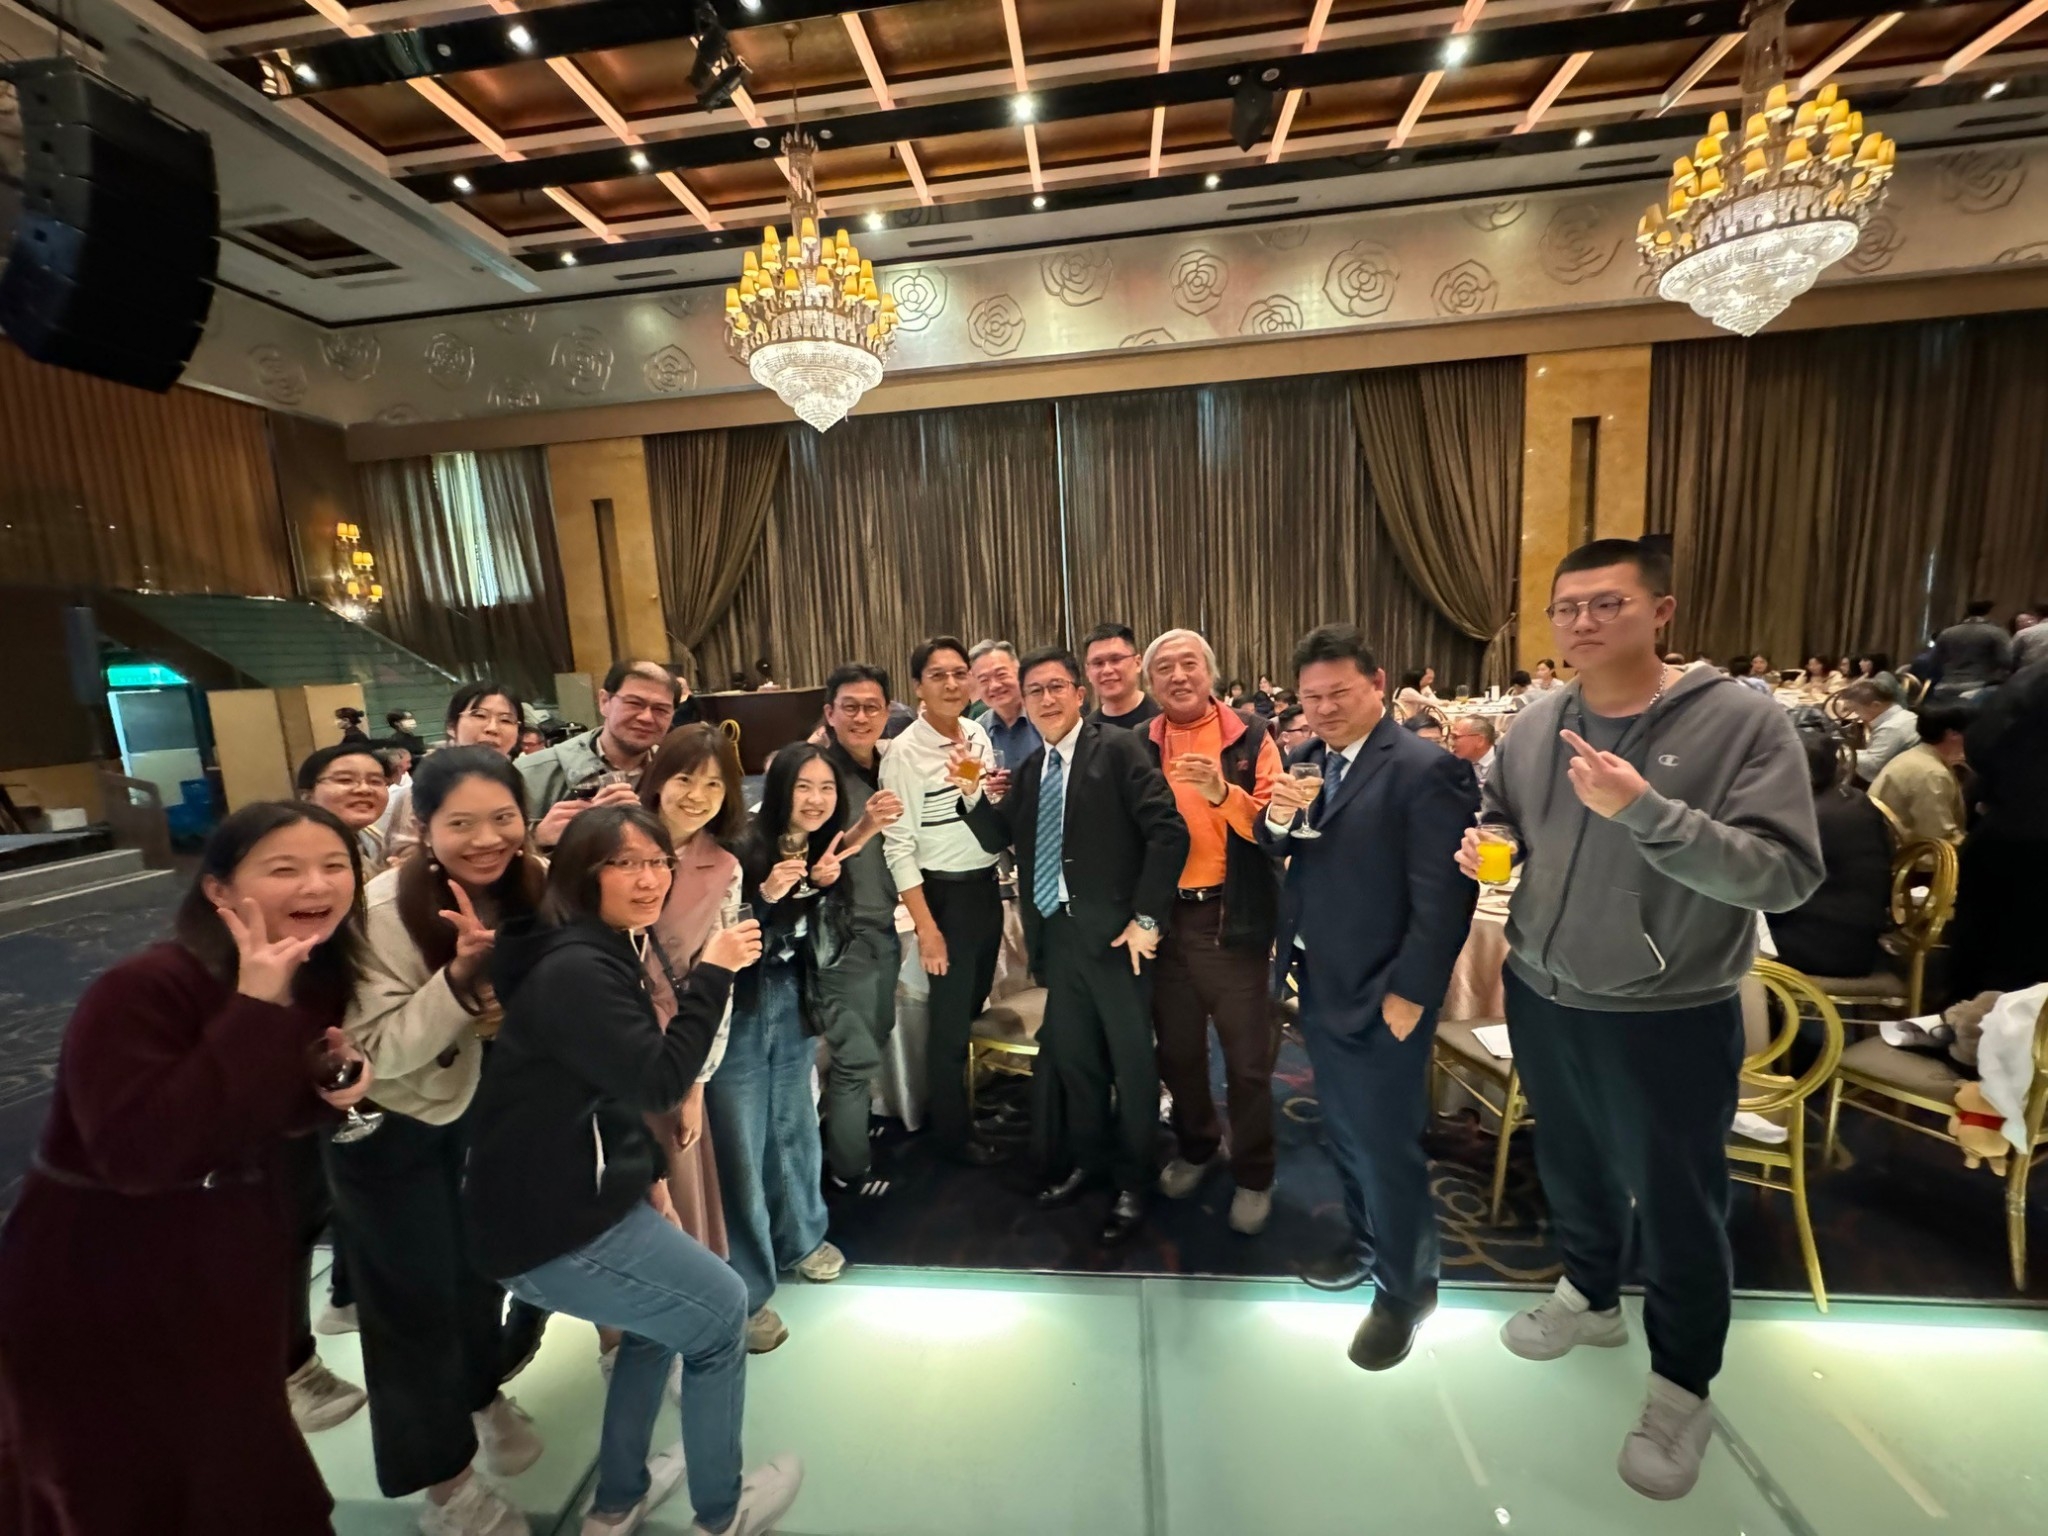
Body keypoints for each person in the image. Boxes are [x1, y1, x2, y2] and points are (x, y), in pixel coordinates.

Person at [1458, 537, 1820, 1501]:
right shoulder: (1538, 723)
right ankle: (1588, 1295)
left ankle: (1681, 1387)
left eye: (1606, 603)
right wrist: (1494, 842)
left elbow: (1786, 873)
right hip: (1545, 988)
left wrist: (1649, 812)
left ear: (1661, 611)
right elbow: (1502, 811)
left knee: (1677, 1204)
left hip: (1670, 1009)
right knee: (1570, 1161)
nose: (1581, 622)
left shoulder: (1740, 723)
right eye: (1565, 607)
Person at [0, 802, 374, 1536]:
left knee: (237, 1460)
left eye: (336, 866)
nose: (317, 884)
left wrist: (326, 1093)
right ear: (218, 889)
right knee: (121, 1478)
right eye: (285, 868)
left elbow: (248, 1108)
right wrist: (256, 1007)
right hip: (97, 1271)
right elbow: (139, 1154)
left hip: (221, 1257)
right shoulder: (143, 987)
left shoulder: (309, 974)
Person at [464, 806, 803, 1536]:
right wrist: (714, 971)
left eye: (657, 862)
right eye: (625, 864)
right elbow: (657, 1082)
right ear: (583, 875)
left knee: (655, 1326)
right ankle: (722, 1513)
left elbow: (610, 1089)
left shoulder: (598, 949)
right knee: (721, 1312)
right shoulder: (578, 968)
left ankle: (616, 1502)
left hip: (567, 1200)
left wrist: (648, 1177)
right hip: (548, 1224)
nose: (649, 879)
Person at [337, 747, 551, 1536]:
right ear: (424, 827)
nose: (487, 839)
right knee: (411, 1305)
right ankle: (444, 1486)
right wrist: (460, 984)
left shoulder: (536, 886)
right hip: (389, 1123)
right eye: (461, 823)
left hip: (488, 1110)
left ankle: (480, 1393)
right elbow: (376, 1052)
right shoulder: (380, 912)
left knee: (481, 1267)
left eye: (503, 818)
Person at [1259, 625, 1477, 1371]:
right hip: (1323, 983)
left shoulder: (1426, 769)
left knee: (1387, 1147)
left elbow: (1444, 897)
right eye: (1311, 697)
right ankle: (1366, 1243)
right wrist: (1279, 815)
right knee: (1347, 1134)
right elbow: (1281, 844)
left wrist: (1411, 994)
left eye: (1339, 693)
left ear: (1377, 684)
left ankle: (1407, 1291)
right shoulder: (1313, 759)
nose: (1323, 708)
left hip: (1385, 993)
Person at [962, 647, 1187, 1244]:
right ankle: (1089, 1162)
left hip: (1116, 941)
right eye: (1035, 691)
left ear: (1078, 694)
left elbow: (1168, 832)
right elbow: (996, 837)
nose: (1046, 699)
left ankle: (1134, 1179)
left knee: (1132, 1066)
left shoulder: (1118, 749)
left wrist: (1147, 918)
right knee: (1078, 1063)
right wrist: (973, 795)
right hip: (1057, 937)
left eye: (1056, 686)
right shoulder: (1032, 769)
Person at [714, 743, 888, 1351]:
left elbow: (818, 933)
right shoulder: (740, 845)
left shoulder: (818, 845)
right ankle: (745, 1283)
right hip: (736, 1008)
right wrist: (764, 894)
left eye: (826, 789)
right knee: (741, 1140)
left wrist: (825, 885)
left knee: (793, 1122)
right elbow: (717, 932)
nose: (816, 800)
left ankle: (803, 1239)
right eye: (803, 787)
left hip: (789, 995)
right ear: (779, 789)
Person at [1139, 630, 1284, 1235]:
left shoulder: (1250, 736)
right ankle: (1197, 1146)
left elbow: (1274, 828)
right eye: (1164, 668)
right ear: (1150, 684)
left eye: (1189, 664)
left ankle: (1254, 1173)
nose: (1178, 676)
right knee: (1177, 1053)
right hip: (1162, 922)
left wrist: (1223, 793)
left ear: (1211, 673)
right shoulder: (1138, 744)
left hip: (1230, 918)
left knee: (1247, 1061)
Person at [879, 637, 1005, 1166]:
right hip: (943, 896)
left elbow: (983, 806)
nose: (952, 684)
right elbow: (898, 847)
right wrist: (927, 930)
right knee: (949, 1025)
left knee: (974, 1004)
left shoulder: (977, 733)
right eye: (938, 675)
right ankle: (949, 1135)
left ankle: (965, 1103)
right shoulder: (904, 754)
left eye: (959, 673)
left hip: (986, 889)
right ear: (918, 687)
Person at [814, 665, 908, 1197]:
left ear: (887, 711)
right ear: (829, 713)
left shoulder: (889, 765)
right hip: (841, 930)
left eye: (872, 706)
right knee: (854, 1055)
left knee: (875, 1034)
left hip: (883, 925)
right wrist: (866, 825)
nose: (861, 716)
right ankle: (850, 1171)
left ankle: (845, 1128)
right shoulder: (817, 775)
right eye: (849, 706)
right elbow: (811, 856)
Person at [1767, 722, 1893, 978]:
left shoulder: (1812, 818)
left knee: (1722, 942)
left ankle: (1757, 1003)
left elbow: (1767, 884)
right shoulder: (1851, 797)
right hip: (1849, 932)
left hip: (1827, 944)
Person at [1955, 656, 2048, 995]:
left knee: (1982, 963)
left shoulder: (2033, 676)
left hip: (2001, 824)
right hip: (2030, 840)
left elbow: (1980, 742)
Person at [519, 660, 679, 851]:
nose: (646, 717)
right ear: (604, 702)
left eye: (661, 709)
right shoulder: (532, 774)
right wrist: (536, 838)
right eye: (634, 703)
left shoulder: (677, 773)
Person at [387, 682, 528, 865]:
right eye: (479, 715)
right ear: (451, 726)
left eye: (506, 720)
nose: (493, 728)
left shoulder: (522, 780)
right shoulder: (422, 788)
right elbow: (403, 855)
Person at [1868, 702, 1971, 847]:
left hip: (1892, 842)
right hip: (1906, 854)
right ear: (1952, 734)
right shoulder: (1932, 774)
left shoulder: (1919, 755)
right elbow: (1940, 838)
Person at [299, 742, 392, 867]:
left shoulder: (373, 839)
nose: (364, 789)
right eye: (345, 780)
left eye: (375, 781)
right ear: (307, 796)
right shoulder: (291, 846)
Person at [969, 640, 1042, 770]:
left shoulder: (1046, 716)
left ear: (1020, 674)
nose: (994, 686)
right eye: (984, 680)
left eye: (1001, 675)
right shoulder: (977, 731)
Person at [1929, 598, 2014, 703]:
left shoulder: (1947, 632)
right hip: (1980, 689)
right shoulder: (1997, 633)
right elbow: (2007, 660)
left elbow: (1934, 661)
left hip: (1946, 686)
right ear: (1989, 613)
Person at [1082, 622, 1162, 730]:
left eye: (1116, 660)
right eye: (1098, 663)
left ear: (1137, 663)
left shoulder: (1164, 720)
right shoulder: (1085, 732)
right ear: (1087, 671)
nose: (1107, 670)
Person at [1836, 678, 1916, 783]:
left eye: (1856, 709)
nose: (1856, 715)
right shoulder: (1905, 715)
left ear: (1875, 705)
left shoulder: (1891, 728)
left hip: (1896, 781)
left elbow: (1871, 765)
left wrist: (1839, 752)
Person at [1449, 715, 1498, 786]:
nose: (1451, 743)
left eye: (1455, 737)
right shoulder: (1453, 766)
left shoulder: (1508, 762)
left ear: (1480, 741)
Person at [2012, 605, 2048, 671]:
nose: (2029, 622)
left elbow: (2010, 657)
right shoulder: (2024, 633)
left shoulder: (2025, 633)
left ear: (2037, 617)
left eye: (2031, 619)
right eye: (2021, 622)